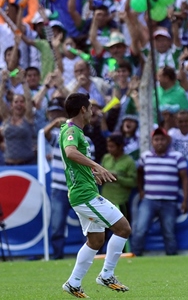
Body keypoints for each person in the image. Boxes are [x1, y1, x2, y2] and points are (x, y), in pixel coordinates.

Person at [60, 93, 131, 297]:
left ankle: (73, 283)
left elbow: (73, 161)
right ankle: (107, 275)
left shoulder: (72, 130)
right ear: (83, 109)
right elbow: (71, 152)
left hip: (83, 191)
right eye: (90, 108)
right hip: (84, 195)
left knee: (96, 240)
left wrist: (91, 172)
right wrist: (97, 165)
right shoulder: (72, 130)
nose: (92, 112)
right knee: (123, 228)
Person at [131, 128, 188, 256]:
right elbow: (139, 174)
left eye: (162, 139)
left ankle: (171, 257)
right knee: (140, 229)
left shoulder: (177, 157)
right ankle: (135, 256)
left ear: (167, 141)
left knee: (169, 232)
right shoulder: (145, 157)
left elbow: (185, 179)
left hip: (169, 201)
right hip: (149, 200)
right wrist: (141, 190)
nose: (159, 142)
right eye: (156, 139)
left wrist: (185, 200)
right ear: (152, 141)